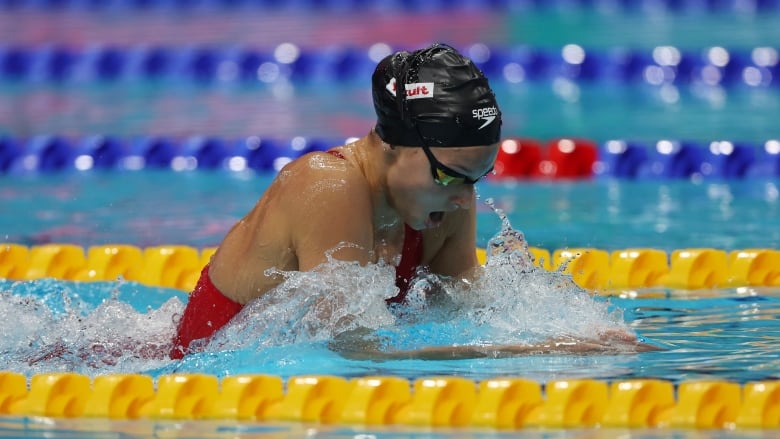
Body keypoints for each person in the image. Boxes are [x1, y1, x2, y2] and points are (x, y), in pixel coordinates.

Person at [170, 43, 652, 359]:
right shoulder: (327, 185)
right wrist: (541, 350)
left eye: (479, 178)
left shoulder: (441, 205)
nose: (466, 200)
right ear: (392, 144)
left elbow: (470, 312)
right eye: (449, 175)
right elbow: (347, 348)